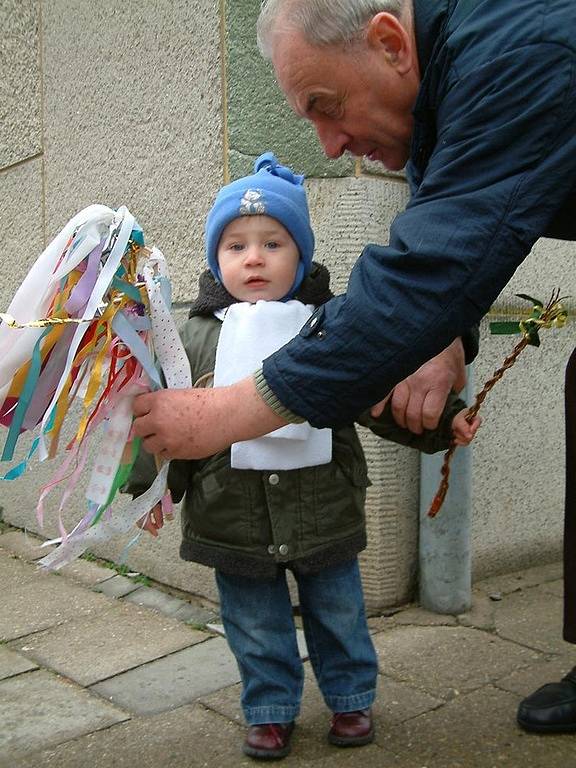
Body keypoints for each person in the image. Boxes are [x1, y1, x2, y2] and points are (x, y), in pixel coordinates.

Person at [132, 0, 576, 733]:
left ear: (389, 43)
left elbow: (426, 273)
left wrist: (226, 414)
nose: (332, 146)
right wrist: (444, 329)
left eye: (326, 108)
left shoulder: (516, 47)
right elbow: (451, 225)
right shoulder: (450, 79)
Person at [127, 152, 479, 760]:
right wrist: (147, 489)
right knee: (255, 625)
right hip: (228, 512)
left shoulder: (331, 328)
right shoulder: (188, 337)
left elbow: (377, 396)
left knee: (340, 614)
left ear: (303, 254)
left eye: (273, 242)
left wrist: (441, 428)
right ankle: (269, 710)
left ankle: (350, 698)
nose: (254, 257)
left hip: (324, 505)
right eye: (235, 245)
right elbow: (165, 422)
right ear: (215, 259)